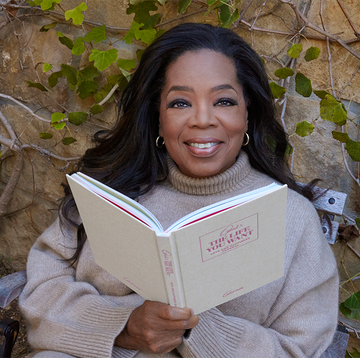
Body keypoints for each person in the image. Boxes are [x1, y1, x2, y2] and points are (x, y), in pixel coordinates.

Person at [19, 23, 339, 357]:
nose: (202, 119)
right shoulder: (112, 191)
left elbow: (299, 348)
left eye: (224, 101)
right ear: (158, 118)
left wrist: (192, 326)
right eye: (180, 103)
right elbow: (43, 290)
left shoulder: (291, 218)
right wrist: (125, 326)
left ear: (248, 114)